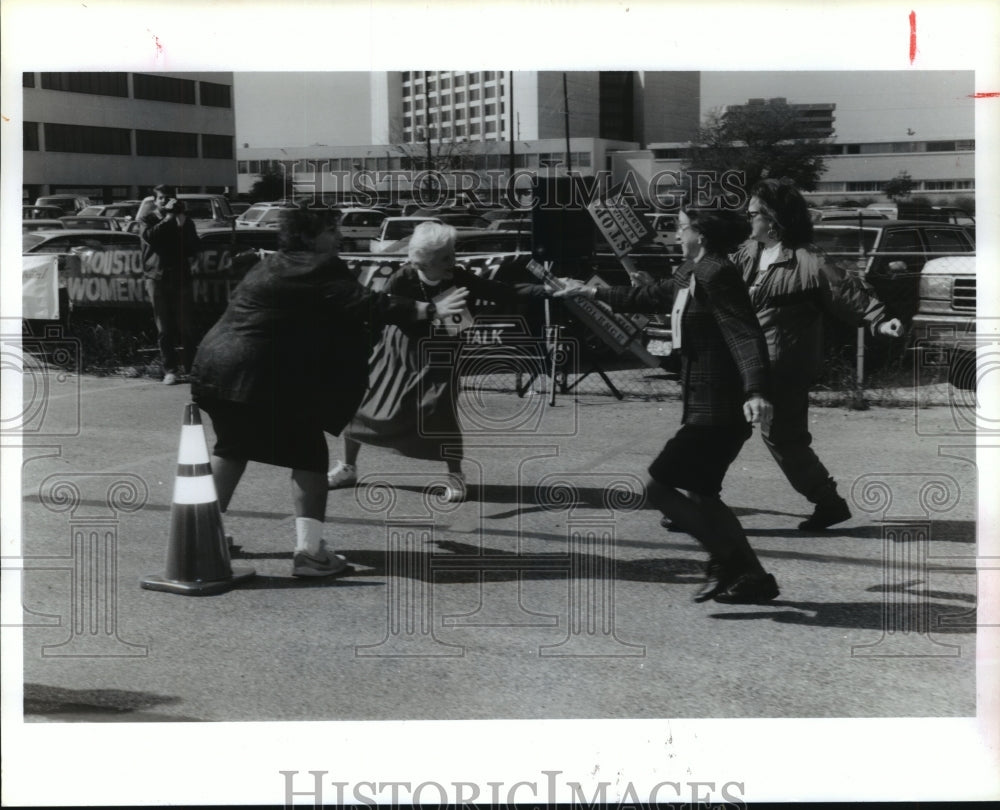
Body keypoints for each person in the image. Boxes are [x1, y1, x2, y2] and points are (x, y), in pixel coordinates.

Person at [188, 208, 469, 577]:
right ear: (309, 237)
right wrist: (430, 310)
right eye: (330, 230)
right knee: (308, 458)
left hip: (214, 371)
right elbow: (368, 304)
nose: (338, 236)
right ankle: (310, 554)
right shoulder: (320, 266)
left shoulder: (269, 265)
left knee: (232, 449)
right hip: (259, 377)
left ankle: (203, 537)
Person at [557, 207, 779, 604]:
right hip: (704, 404)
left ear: (702, 234)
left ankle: (726, 560)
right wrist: (590, 291)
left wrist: (756, 390)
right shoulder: (692, 270)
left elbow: (744, 334)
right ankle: (754, 578)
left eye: (680, 228)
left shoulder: (716, 273)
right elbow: (648, 294)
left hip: (721, 407)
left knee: (657, 487)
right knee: (701, 495)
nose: (675, 235)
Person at [327, 221, 549, 502]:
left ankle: (455, 474)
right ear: (426, 261)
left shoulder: (458, 277)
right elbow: (381, 315)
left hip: (442, 352)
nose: (453, 261)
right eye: (445, 257)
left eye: (452, 254)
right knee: (361, 402)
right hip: (399, 350)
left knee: (441, 410)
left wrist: (550, 291)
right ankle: (348, 467)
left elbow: (503, 291)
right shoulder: (402, 279)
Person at [731, 179, 903, 531]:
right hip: (744, 361)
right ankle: (698, 498)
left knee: (783, 438)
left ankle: (828, 502)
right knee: (720, 428)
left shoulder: (809, 261)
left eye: (753, 213)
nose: (747, 218)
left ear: (773, 218)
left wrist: (880, 321)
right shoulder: (748, 251)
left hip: (783, 366)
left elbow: (847, 291)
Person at [140, 184, 202, 385]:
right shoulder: (147, 220)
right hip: (156, 278)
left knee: (187, 326)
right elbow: (152, 238)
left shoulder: (183, 221)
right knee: (164, 327)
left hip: (181, 277)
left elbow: (193, 246)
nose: (166, 201)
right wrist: (168, 218)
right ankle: (170, 369)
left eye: (169, 198)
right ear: (155, 201)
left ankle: (192, 368)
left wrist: (182, 223)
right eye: (161, 198)